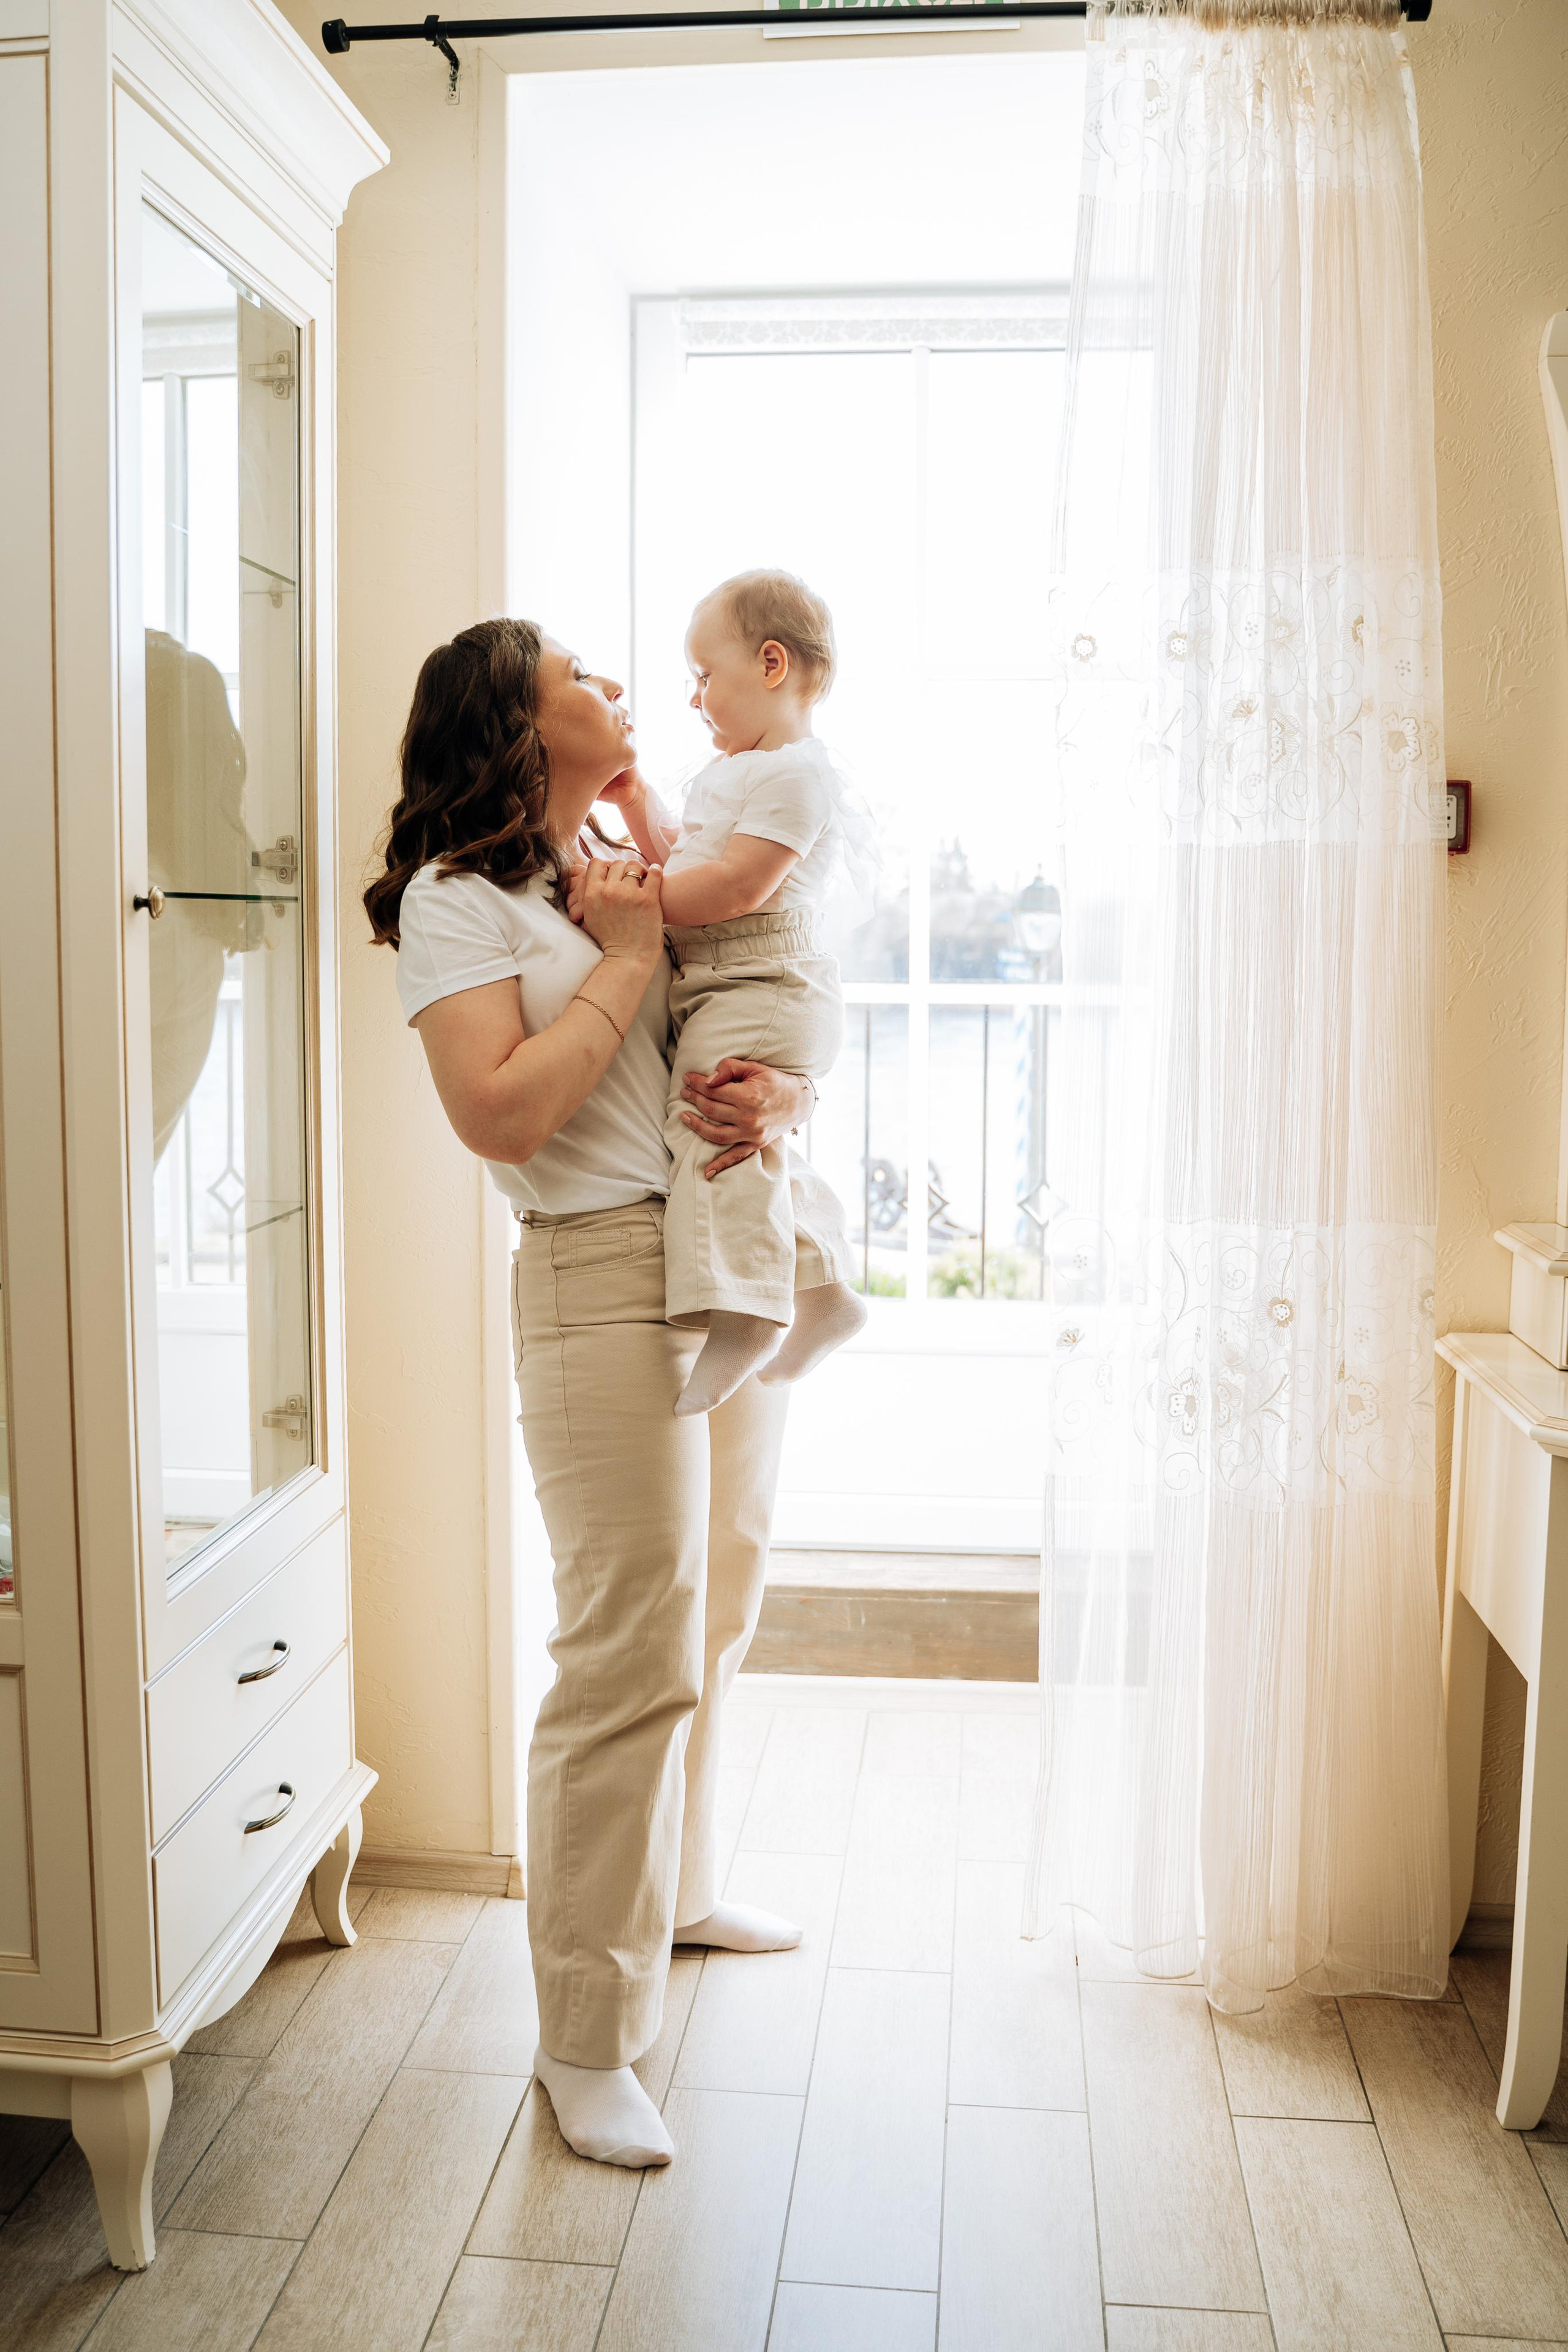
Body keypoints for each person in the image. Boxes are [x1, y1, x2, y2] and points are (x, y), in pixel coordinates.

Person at [364, 617, 816, 2171]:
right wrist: (626, 966)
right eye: (572, 665)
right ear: (509, 715)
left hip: (709, 1249)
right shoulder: (455, 904)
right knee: (625, 1652)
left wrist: (771, 1092)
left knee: (714, 1609)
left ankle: (676, 1890)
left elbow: (739, 1005)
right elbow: (500, 1114)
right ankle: (584, 2038)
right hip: (596, 1271)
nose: (612, 680)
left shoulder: (613, 878)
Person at [571, 568, 871, 1416]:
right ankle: (821, 1284)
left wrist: (631, 902)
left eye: (705, 675)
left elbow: (735, 889)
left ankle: (746, 1310)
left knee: (705, 1120)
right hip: (735, 975)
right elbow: (685, 860)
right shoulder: (741, 774)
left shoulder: (796, 775)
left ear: (771, 664)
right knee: (747, 1139)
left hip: (764, 973)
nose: (693, 697)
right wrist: (634, 807)